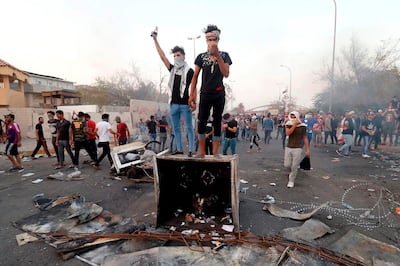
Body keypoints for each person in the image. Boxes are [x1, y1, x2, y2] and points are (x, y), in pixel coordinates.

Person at [189, 24, 232, 157]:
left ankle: (215, 153)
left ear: (218, 40)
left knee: (217, 121)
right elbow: (195, 77)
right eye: (209, 39)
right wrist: (192, 96)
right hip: (205, 93)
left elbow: (226, 73)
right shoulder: (201, 57)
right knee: (201, 121)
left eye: (214, 39)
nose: (212, 42)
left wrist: (218, 56)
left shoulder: (224, 55)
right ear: (206, 40)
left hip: (219, 93)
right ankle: (201, 152)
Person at [151, 28, 195, 156]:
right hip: (174, 104)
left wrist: (193, 101)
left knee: (189, 128)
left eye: (178, 55)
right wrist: (155, 40)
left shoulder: (190, 71)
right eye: (175, 55)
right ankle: (180, 149)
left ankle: (192, 149)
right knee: (176, 129)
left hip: (186, 104)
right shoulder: (172, 70)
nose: (176, 57)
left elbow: (194, 87)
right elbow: (162, 56)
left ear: (184, 56)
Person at [284, 111, 310, 188]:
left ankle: (291, 180)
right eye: (291, 116)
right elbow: (288, 133)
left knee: (294, 165)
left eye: (294, 116)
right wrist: (294, 124)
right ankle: (291, 172)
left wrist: (307, 149)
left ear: (297, 116)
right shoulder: (288, 124)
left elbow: (305, 138)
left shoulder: (303, 126)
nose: (292, 118)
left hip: (298, 147)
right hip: (289, 146)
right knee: (287, 165)